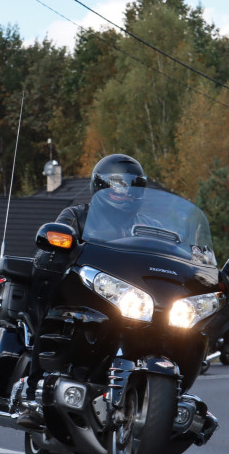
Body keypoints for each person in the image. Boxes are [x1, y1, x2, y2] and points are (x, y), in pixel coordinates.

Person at [18, 154, 153, 429]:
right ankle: (33, 395)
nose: (126, 192)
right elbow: (52, 250)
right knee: (53, 320)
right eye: (119, 185)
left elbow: (162, 255)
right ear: (101, 185)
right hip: (82, 294)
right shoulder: (77, 215)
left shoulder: (148, 225)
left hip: (126, 298)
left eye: (133, 186)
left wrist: (193, 257)